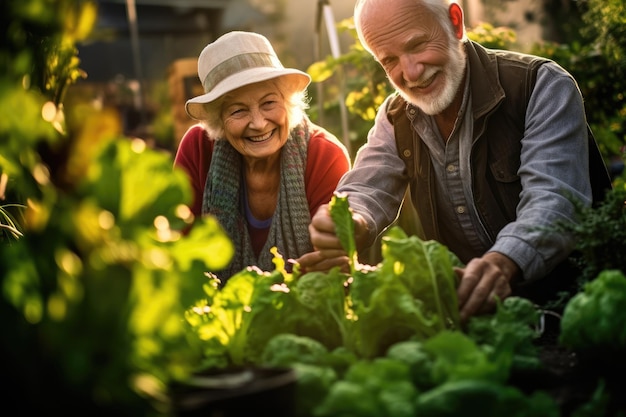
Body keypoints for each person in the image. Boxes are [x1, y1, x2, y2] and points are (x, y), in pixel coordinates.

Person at [297, 0, 612, 322]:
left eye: (418, 45)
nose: (411, 72)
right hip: (470, 319)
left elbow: (556, 200)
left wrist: (502, 263)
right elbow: (366, 187)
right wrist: (350, 220)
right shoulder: (396, 116)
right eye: (389, 60)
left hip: (576, 311)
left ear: (456, 22)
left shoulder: (538, 85)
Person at [175, 31, 351, 282]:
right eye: (238, 110)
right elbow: (180, 251)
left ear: (288, 102)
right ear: (217, 122)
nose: (258, 123)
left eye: (269, 103)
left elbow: (331, 269)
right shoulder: (198, 148)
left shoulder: (324, 155)